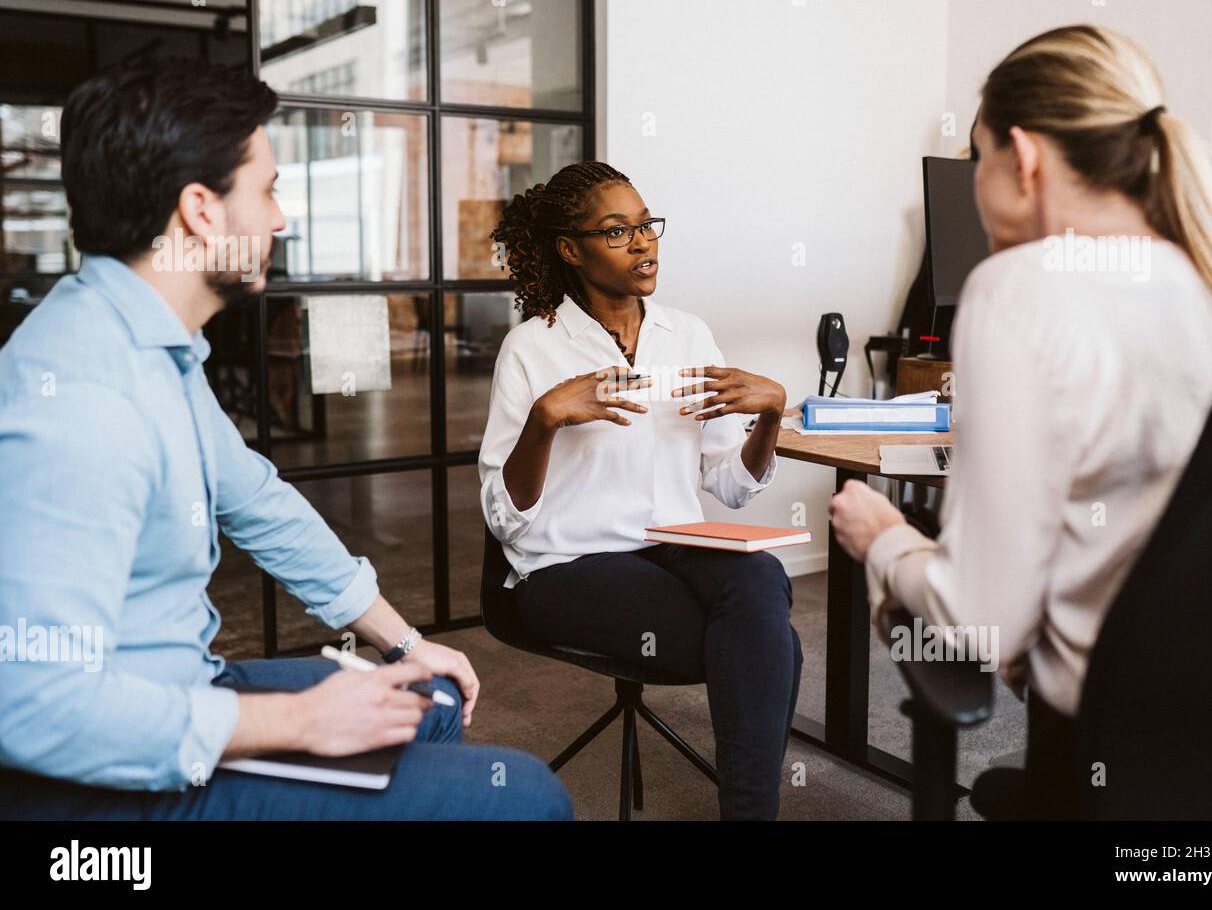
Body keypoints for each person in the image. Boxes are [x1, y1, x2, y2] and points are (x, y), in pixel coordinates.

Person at [0, 58, 571, 821]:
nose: (280, 218)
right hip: (102, 788)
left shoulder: (147, 341)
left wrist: (403, 643)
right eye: (266, 189)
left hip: (179, 683)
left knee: (424, 697)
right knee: (526, 800)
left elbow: (259, 502)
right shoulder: (80, 397)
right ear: (200, 211)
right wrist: (302, 721)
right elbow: (35, 707)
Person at [828, 25, 1212, 813]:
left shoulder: (1018, 287)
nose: (974, 188)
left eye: (979, 159)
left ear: (1026, 156)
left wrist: (884, 538)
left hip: (1109, 757)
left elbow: (980, 628)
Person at [480, 162, 801, 820]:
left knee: (762, 579)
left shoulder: (686, 334)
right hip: (565, 563)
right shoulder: (530, 348)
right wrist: (545, 419)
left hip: (672, 544)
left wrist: (769, 415)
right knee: (769, 644)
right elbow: (504, 519)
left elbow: (731, 487)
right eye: (617, 231)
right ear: (571, 249)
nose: (644, 243)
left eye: (646, 225)